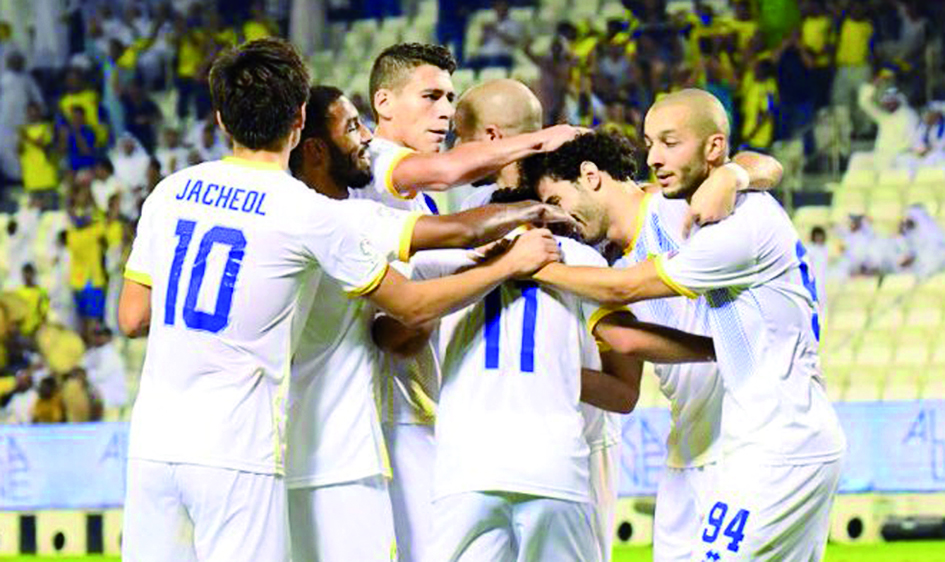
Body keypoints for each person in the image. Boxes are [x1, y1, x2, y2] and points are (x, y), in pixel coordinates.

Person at [117, 38, 561, 562]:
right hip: (240, 446)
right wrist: (508, 263)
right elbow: (411, 306)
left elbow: (132, 317)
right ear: (300, 119)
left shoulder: (171, 190)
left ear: (220, 118)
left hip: (153, 444)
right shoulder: (307, 212)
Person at [530, 89, 846, 560]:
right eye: (649, 143)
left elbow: (762, 167)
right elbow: (624, 372)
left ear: (591, 177)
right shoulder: (594, 267)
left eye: (556, 200)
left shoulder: (683, 205)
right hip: (693, 445)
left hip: (756, 438)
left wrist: (736, 174)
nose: (558, 218)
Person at [284, 85, 577, 562]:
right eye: (353, 127)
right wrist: (526, 224)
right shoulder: (339, 220)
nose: (367, 139)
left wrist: (470, 266)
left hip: (283, 449)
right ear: (315, 149)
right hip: (339, 455)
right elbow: (427, 283)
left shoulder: (281, 213)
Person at [357, 42, 581, 562]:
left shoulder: (429, 200)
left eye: (450, 99)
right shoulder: (374, 162)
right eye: (431, 96)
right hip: (378, 414)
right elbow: (400, 328)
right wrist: (539, 144)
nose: (443, 113)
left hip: (414, 408)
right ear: (384, 102)